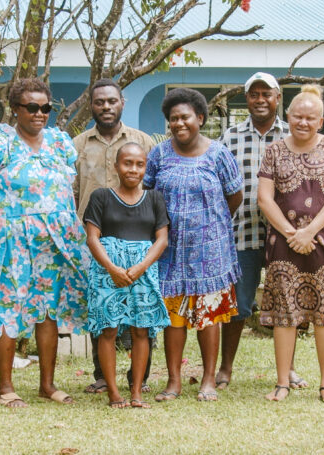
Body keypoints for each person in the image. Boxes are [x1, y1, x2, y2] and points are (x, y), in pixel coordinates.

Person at [0, 78, 90, 408]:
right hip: (10, 246)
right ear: (15, 109)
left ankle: (47, 385)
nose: (39, 113)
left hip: (52, 245)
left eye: (45, 108)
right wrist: (3, 219)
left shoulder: (60, 144)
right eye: (31, 107)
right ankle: (5, 388)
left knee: (47, 312)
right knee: (8, 309)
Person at [144, 88, 243, 402]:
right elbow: (146, 195)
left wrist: (208, 225)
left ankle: (209, 380)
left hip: (210, 253)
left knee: (207, 318)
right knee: (174, 320)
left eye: (184, 116)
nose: (178, 123)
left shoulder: (218, 154)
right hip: (169, 253)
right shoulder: (159, 154)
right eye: (173, 118)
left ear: (200, 118)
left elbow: (235, 196)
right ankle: (173, 382)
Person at [257, 84, 324, 403]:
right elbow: (265, 199)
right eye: (298, 115)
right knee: (285, 311)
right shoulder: (273, 151)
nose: (303, 122)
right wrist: (291, 233)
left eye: (311, 117)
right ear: (288, 116)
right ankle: (282, 383)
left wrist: (309, 231)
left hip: (323, 240)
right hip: (283, 244)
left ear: (321, 121)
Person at [216, 72, 308, 390]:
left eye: (265, 94)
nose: (259, 99)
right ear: (247, 99)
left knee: (286, 302)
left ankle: (290, 369)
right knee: (238, 305)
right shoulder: (229, 137)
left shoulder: (292, 135)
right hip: (241, 232)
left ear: (277, 98)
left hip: (285, 234)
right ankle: (225, 369)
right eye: (253, 94)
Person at [74, 79, 157, 396]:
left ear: (122, 102)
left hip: (138, 241)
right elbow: (71, 193)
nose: (106, 106)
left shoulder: (143, 142)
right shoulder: (78, 145)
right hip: (94, 239)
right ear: (91, 105)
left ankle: (141, 378)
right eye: (99, 102)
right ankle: (101, 376)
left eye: (111, 101)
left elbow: (153, 190)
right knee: (102, 312)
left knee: (142, 312)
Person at [84, 142, 171, 408]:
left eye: (139, 164)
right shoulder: (101, 197)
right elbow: (92, 238)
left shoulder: (154, 198)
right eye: (127, 163)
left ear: (146, 167)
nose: (133, 169)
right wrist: (112, 268)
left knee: (141, 331)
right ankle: (113, 393)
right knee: (107, 331)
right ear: (116, 166)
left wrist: (141, 266)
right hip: (108, 272)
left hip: (142, 273)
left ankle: (136, 393)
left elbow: (162, 239)